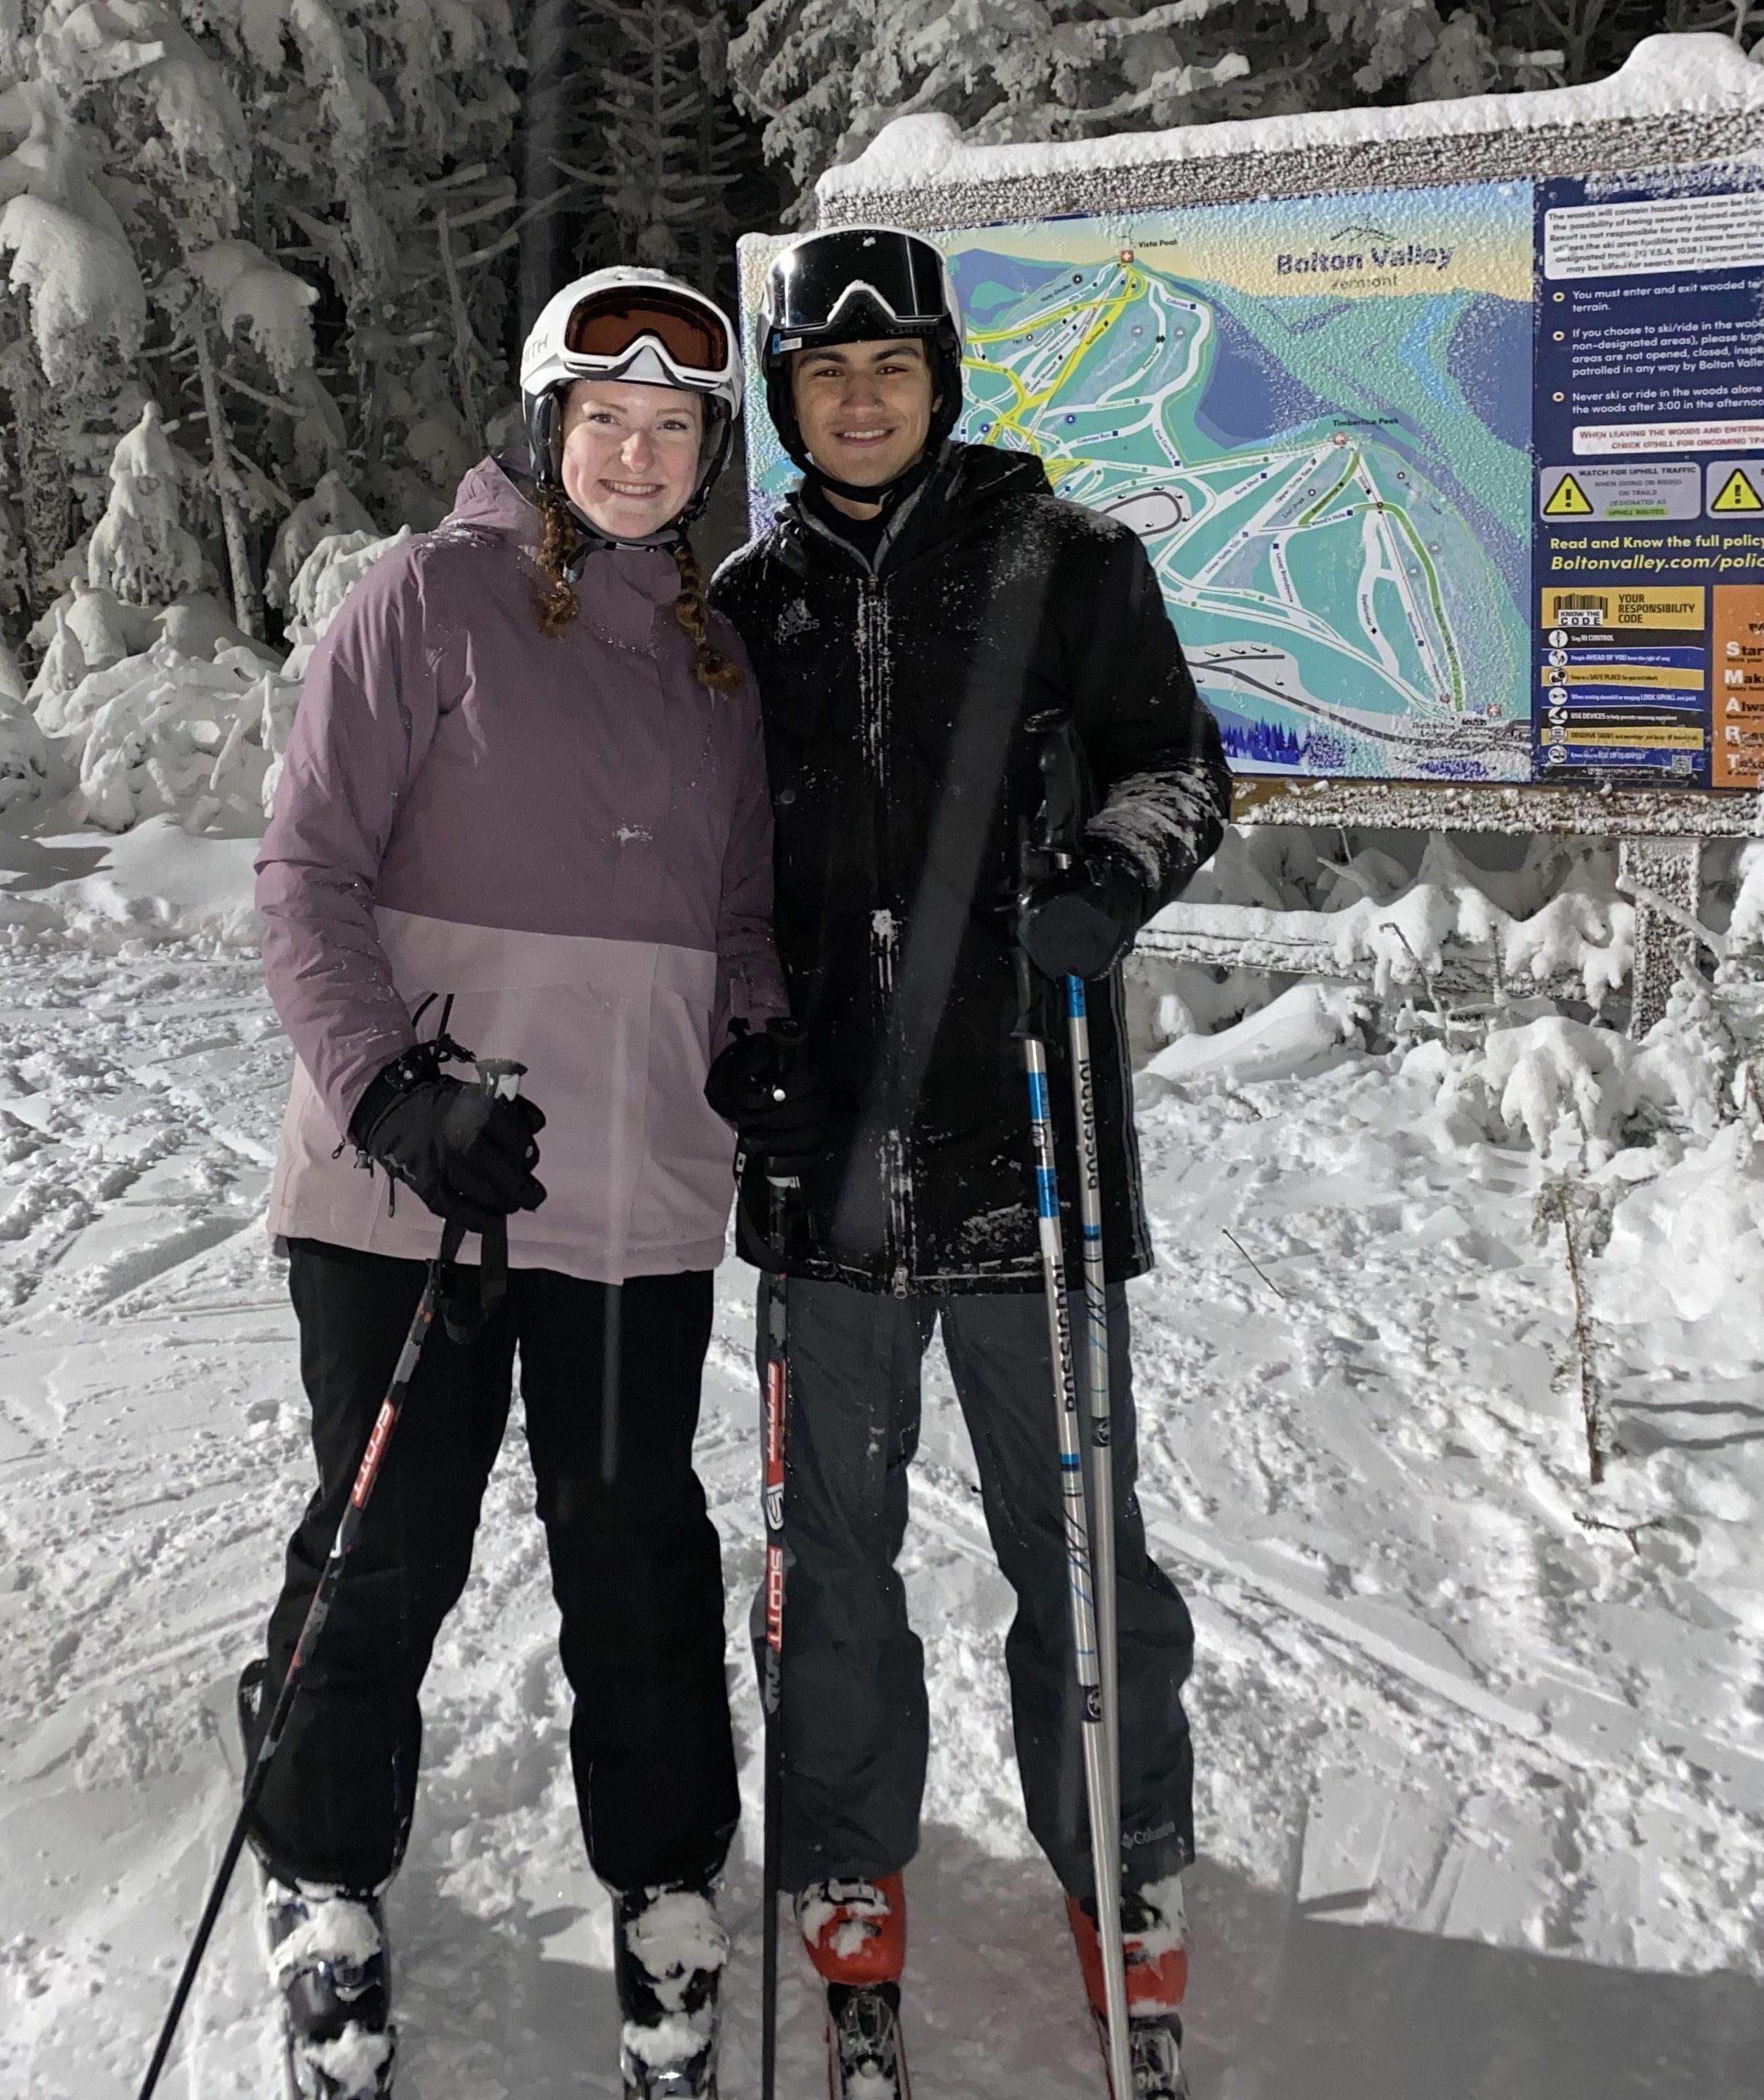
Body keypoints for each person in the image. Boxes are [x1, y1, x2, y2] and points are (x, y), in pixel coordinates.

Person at [246, 265, 787, 2100]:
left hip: (634, 1198)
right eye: (606, 420)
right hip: (416, 1188)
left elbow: (731, 923)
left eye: (673, 429)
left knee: (638, 1557)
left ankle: (662, 1890)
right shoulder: (425, 601)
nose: (637, 453)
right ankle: (322, 1873)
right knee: (386, 1544)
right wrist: (390, 1088)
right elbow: (304, 874)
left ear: (708, 455)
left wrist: (761, 1039)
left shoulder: (717, 661)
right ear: (548, 430)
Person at [705, 228, 1232, 2100]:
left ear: (938, 380)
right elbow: (703, 888)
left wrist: (1107, 879)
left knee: (1079, 1551)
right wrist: (732, 1048)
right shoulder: (742, 608)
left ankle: (1122, 1862)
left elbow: (1179, 769)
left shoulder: (1062, 560)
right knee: (828, 1562)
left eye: (893, 369)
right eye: (827, 377)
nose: (861, 398)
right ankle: (851, 1867)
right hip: (822, 1179)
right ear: (788, 402)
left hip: (1028, 1147)